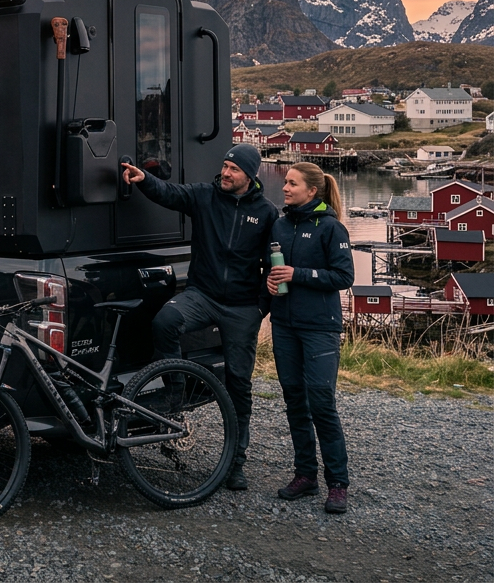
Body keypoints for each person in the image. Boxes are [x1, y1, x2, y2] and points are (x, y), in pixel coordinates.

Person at [121, 144, 278, 491]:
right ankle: (175, 393)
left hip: (241, 307)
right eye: (224, 166)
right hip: (202, 295)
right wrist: (143, 178)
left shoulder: (266, 213)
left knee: (239, 383)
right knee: (165, 322)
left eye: (234, 169)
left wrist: (260, 308)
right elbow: (170, 193)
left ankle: (236, 462)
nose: (225, 173)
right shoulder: (205, 196)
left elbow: (275, 266)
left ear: (249, 176)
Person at [266, 161, 353, 514]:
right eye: (285, 182)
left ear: (311, 191)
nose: (285, 188)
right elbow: (271, 270)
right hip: (285, 325)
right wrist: (269, 281)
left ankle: (338, 484)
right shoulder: (280, 224)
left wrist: (297, 273)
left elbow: (343, 276)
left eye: (292, 184)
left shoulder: (331, 227)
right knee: (294, 400)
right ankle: (305, 475)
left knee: (321, 402)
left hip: (320, 326)